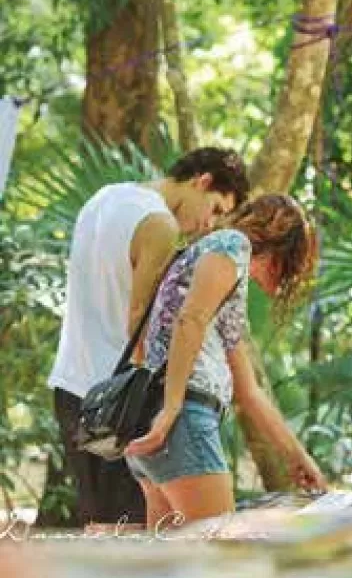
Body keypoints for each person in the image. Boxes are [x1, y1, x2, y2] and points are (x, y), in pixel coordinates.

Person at [48, 147, 250, 526]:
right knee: (138, 539)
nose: (210, 225)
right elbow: (138, 315)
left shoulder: (103, 197)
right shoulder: (159, 224)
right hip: (119, 402)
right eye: (217, 208)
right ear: (202, 181)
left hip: (72, 389)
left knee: (102, 528)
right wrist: (161, 401)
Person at [124, 194, 327, 529]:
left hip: (157, 427)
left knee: (170, 567)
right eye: (287, 269)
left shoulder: (214, 273)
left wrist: (297, 457)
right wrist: (172, 408)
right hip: (181, 421)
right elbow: (190, 319)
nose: (279, 286)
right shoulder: (233, 245)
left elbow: (249, 392)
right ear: (279, 254)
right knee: (223, 557)